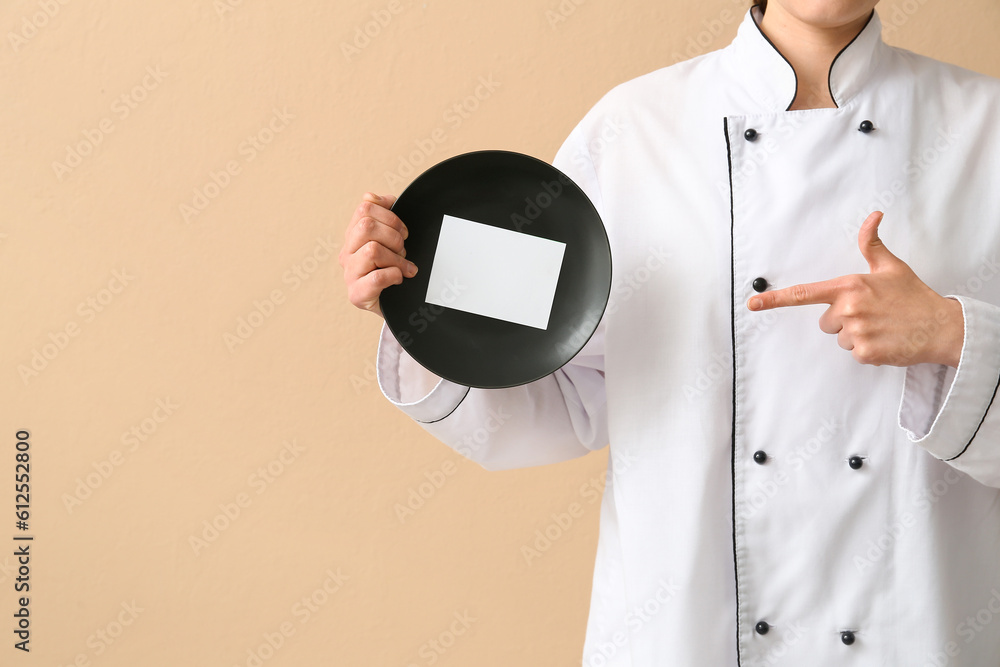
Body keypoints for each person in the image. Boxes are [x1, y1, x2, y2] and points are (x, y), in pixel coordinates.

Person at [340, 0, 1000, 664]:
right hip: (684, 633)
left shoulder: (985, 127)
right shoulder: (633, 129)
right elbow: (564, 392)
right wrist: (413, 296)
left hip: (917, 629)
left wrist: (953, 334)